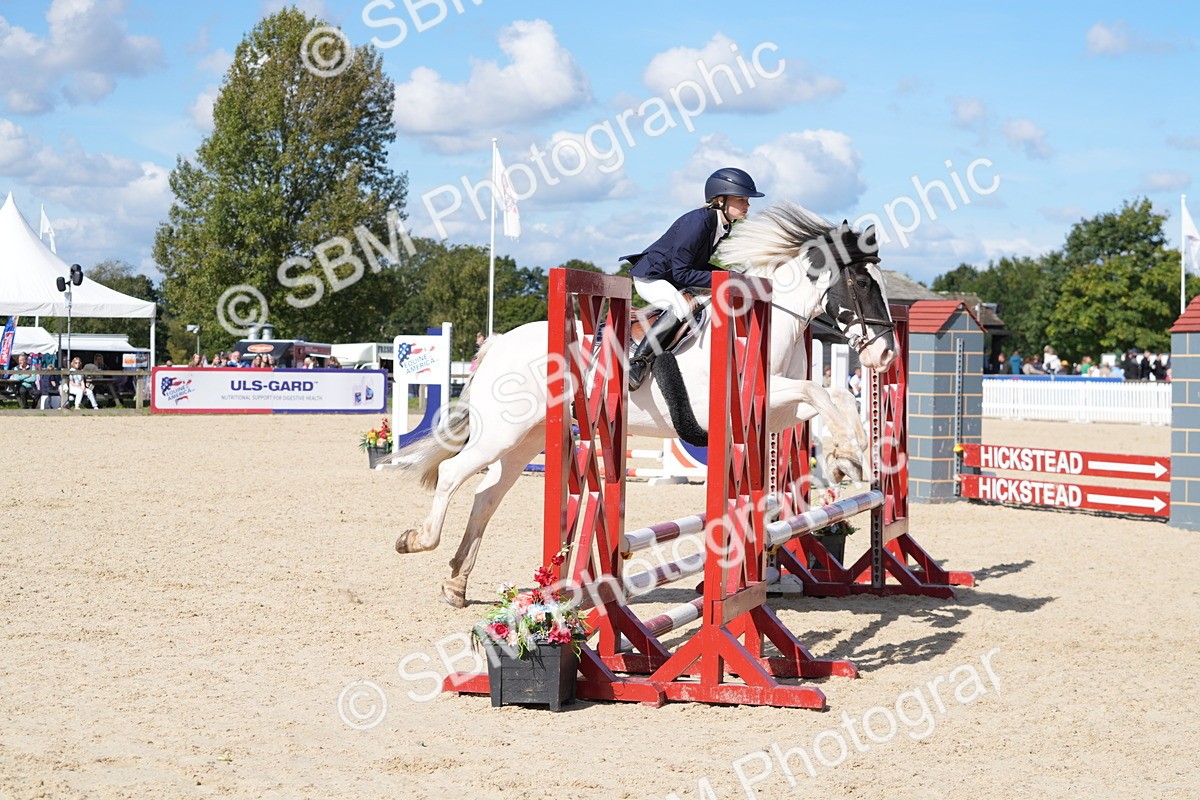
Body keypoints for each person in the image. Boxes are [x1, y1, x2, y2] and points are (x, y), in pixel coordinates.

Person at [621, 167, 764, 389]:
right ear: (720, 200)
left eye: (747, 200)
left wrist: (731, 276)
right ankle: (637, 363)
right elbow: (682, 272)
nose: (747, 205)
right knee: (681, 308)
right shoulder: (698, 222)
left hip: (673, 278)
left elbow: (697, 266)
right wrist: (725, 280)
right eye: (741, 199)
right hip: (653, 278)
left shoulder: (720, 225)